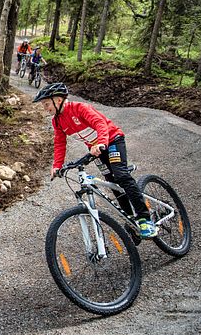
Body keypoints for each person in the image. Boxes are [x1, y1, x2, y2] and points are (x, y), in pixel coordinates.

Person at [33, 82, 158, 238]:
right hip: (96, 149)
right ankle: (132, 220)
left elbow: (100, 123)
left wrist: (101, 143)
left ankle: (144, 218)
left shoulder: (80, 108)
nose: (45, 108)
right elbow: (59, 142)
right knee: (112, 182)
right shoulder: (57, 121)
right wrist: (57, 166)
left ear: (58, 100)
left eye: (46, 104)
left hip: (112, 140)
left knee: (121, 175)